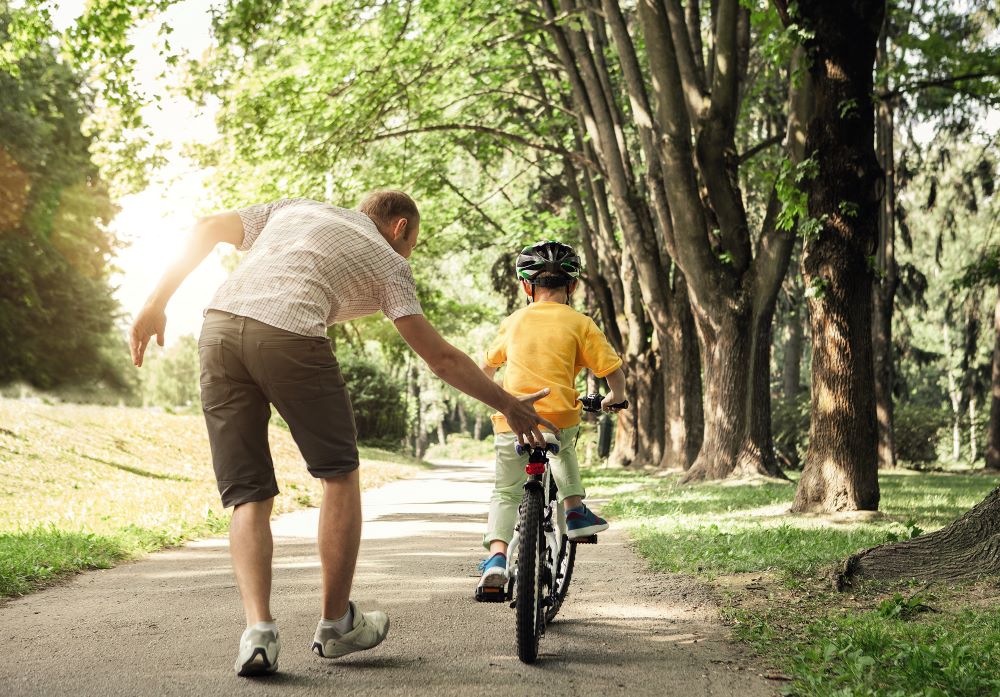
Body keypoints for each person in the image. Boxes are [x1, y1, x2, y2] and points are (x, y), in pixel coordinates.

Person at [129, 192, 556, 677]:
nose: (409, 253)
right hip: (290, 336)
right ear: (399, 228)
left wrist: (154, 303)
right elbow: (440, 358)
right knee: (339, 474)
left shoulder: (294, 208)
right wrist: (508, 405)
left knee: (248, 493)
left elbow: (205, 225)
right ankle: (335, 625)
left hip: (219, 331)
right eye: (413, 243)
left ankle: (259, 632)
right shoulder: (389, 261)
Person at [476, 240, 627, 592]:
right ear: (572, 285)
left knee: (505, 491)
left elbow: (486, 368)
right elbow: (611, 369)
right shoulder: (581, 322)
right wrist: (615, 397)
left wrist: (496, 400)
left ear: (526, 286)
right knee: (565, 447)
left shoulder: (513, 322)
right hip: (558, 414)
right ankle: (574, 509)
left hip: (512, 417)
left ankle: (497, 557)